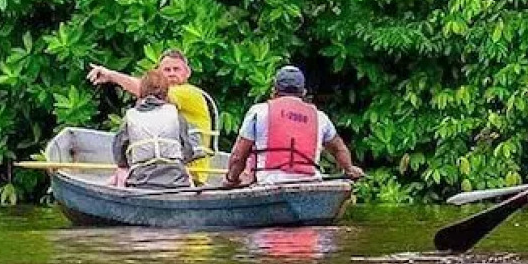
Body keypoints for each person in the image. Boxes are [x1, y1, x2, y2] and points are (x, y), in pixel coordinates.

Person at [222, 65, 364, 187]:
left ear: (274, 90)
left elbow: (238, 156)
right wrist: (349, 169)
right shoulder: (320, 117)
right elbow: (339, 148)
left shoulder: (258, 112)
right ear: (303, 92)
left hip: (270, 182)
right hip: (309, 181)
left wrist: (231, 179)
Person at [88, 49, 218, 179]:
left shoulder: (188, 93)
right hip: (167, 171)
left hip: (190, 174)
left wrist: (111, 75)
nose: (172, 74)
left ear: (187, 72)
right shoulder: (160, 104)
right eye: (167, 70)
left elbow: (148, 90)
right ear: (159, 74)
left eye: (176, 69)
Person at [110, 69, 200, 189]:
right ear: (166, 92)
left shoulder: (130, 117)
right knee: (185, 172)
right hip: (177, 183)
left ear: (142, 91)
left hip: (140, 184)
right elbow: (188, 152)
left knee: (120, 171)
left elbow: (119, 155)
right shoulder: (176, 116)